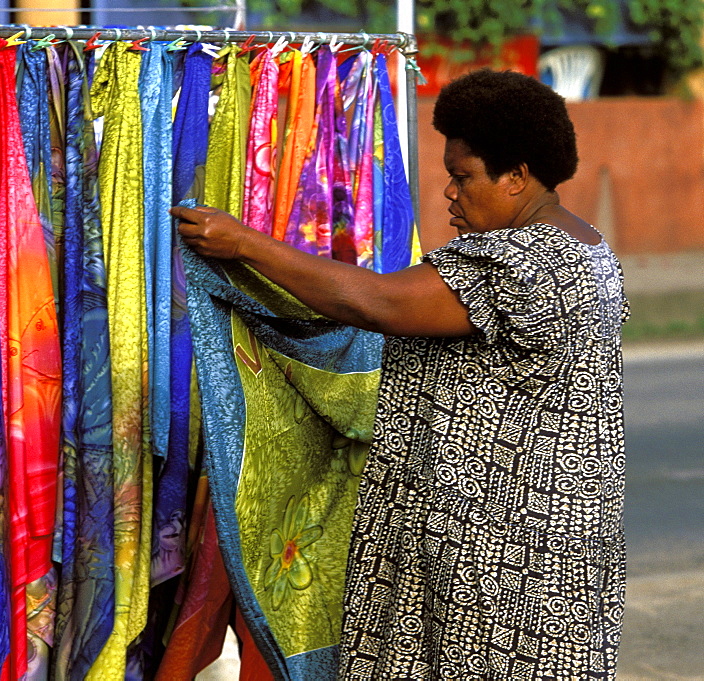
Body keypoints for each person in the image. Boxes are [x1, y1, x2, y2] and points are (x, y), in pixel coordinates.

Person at [171, 69, 627, 679]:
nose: (449, 195)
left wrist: (246, 245)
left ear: (516, 177)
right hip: (549, 547)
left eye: (463, 177)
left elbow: (374, 302)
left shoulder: (523, 263)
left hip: (500, 560)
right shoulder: (587, 249)